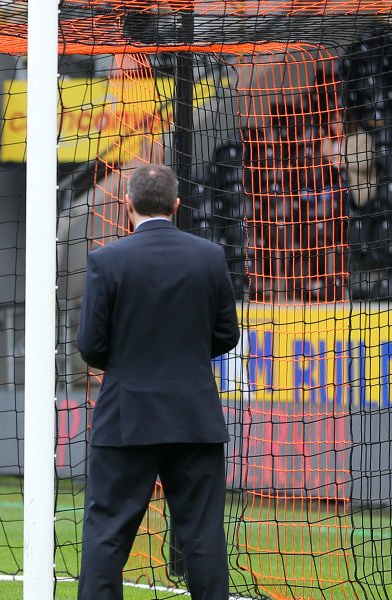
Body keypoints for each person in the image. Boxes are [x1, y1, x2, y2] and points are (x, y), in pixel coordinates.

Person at [76, 164, 241, 600]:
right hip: (194, 417)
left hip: (127, 417)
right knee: (203, 534)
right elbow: (228, 334)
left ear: (126, 204)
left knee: (106, 533)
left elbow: (91, 345)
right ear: (176, 205)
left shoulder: (106, 260)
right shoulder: (209, 256)